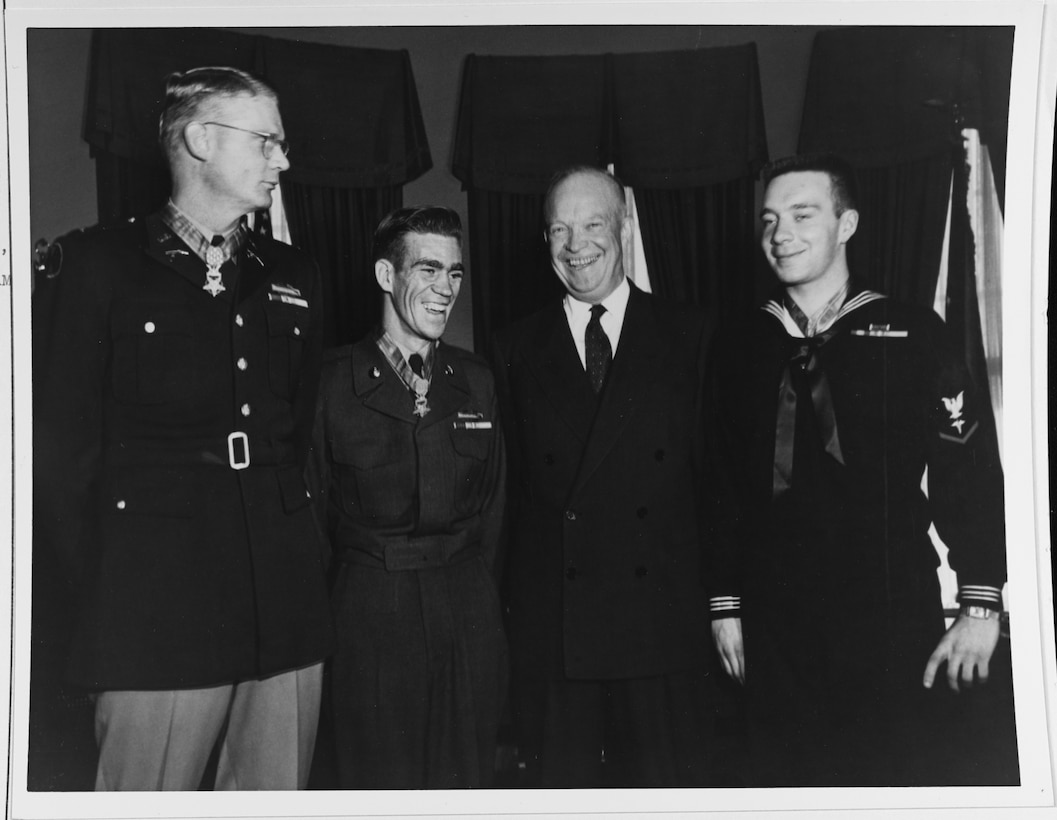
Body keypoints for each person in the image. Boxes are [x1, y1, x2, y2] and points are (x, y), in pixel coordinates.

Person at [32, 66, 333, 790]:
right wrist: (108, 593)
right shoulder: (97, 266)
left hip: (281, 602)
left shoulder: (294, 274)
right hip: (155, 605)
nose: (283, 161)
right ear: (200, 139)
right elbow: (63, 460)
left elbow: (300, 438)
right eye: (267, 141)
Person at [707, 153, 1009, 786]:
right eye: (768, 220)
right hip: (775, 618)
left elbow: (969, 471)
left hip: (889, 610)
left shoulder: (914, 332)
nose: (780, 235)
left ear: (847, 224)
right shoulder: (736, 343)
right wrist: (725, 604)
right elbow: (718, 484)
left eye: (801, 215)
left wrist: (981, 602)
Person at [492, 166, 732, 787]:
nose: (576, 246)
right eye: (559, 230)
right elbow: (509, 500)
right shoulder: (513, 347)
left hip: (661, 628)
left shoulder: (692, 332)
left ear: (623, 225)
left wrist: (724, 602)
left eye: (592, 224)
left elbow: (717, 489)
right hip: (555, 636)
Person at [311, 206, 508, 789]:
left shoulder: (477, 381)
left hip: (467, 614)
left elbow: (496, 512)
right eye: (428, 269)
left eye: (454, 273)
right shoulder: (331, 383)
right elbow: (313, 527)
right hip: (370, 615)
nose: (445, 289)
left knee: (464, 782)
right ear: (385, 276)